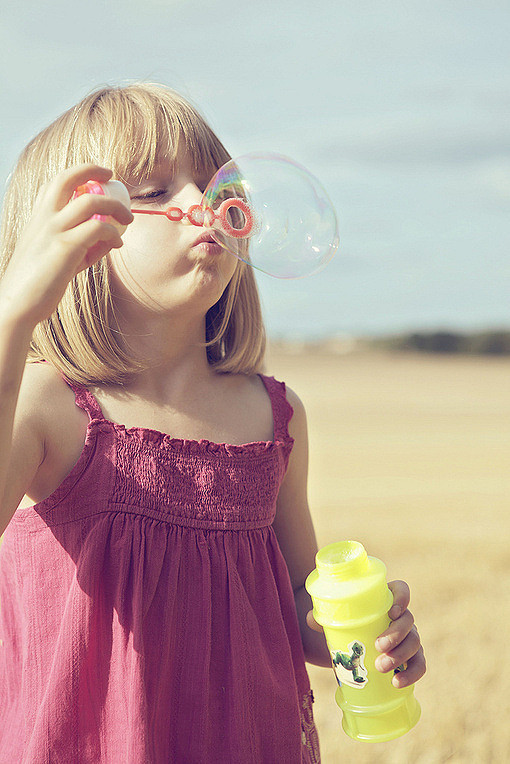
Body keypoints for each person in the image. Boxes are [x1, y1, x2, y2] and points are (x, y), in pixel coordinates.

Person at [0, 82, 426, 763]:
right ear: (69, 238)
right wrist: (14, 313)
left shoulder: (274, 415)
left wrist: (361, 641)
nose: (201, 205)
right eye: (155, 190)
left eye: (213, 186)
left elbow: (293, 601)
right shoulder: (44, 407)